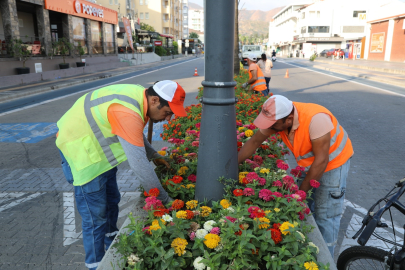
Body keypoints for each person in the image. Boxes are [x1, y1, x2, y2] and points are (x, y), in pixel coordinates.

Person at [56, 81, 187, 270]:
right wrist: (167, 201)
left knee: (111, 202)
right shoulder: (126, 111)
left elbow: (132, 132)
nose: (168, 119)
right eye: (167, 112)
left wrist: (154, 155)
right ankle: (95, 264)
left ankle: (111, 246)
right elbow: (140, 166)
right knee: (95, 218)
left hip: (99, 155)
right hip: (83, 153)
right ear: (155, 100)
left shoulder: (138, 97)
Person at [238, 95, 353, 256]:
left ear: (289, 120)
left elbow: (321, 161)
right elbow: (255, 141)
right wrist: (233, 164)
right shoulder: (278, 119)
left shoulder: (316, 119)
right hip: (309, 163)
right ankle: (310, 252)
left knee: (325, 216)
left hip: (334, 163)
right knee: (305, 209)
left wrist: (301, 194)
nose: (269, 127)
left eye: (273, 125)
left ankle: (327, 260)